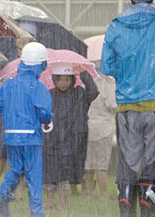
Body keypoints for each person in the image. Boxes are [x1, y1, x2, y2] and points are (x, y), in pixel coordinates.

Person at [101, 0, 155, 216]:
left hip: (126, 107)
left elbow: (107, 66)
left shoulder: (116, 26)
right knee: (152, 160)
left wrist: (127, 73)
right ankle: (148, 206)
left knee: (128, 163)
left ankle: (126, 206)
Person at [0, 42, 52, 217]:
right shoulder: (38, 86)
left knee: (15, 169)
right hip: (31, 138)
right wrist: (47, 120)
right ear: (40, 64)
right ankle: (36, 212)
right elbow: (44, 112)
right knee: (34, 177)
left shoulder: (8, 84)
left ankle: (2, 194)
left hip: (11, 137)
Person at [42, 64, 98, 210]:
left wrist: (84, 73)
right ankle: (49, 202)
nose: (63, 83)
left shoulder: (78, 93)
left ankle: (62, 204)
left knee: (64, 175)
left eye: (67, 80)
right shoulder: (48, 94)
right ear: (54, 79)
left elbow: (93, 92)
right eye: (60, 80)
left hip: (70, 142)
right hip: (51, 140)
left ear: (72, 80)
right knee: (49, 174)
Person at [83, 69, 116, 200]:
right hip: (104, 128)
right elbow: (112, 105)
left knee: (89, 163)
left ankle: (89, 194)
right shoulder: (108, 83)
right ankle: (103, 194)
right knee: (102, 164)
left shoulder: (85, 81)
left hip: (88, 126)